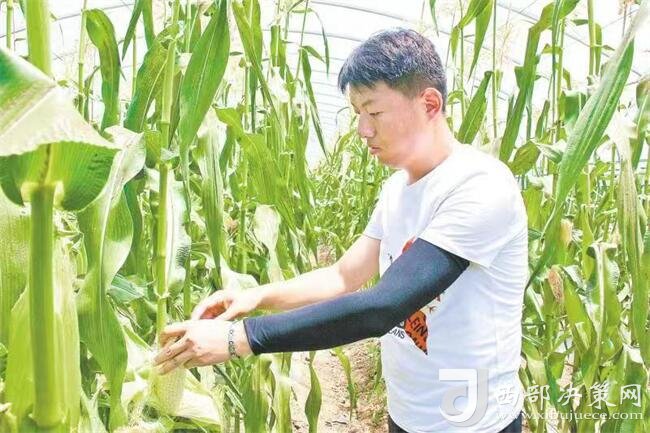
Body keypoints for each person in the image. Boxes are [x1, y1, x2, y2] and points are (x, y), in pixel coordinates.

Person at [154, 28, 527, 433]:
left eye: (374, 112)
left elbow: (384, 306)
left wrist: (238, 338)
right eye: (357, 114)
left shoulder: (479, 186)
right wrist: (255, 297)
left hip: (473, 420)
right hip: (410, 412)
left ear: (430, 104)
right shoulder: (396, 189)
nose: (363, 130)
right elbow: (343, 275)